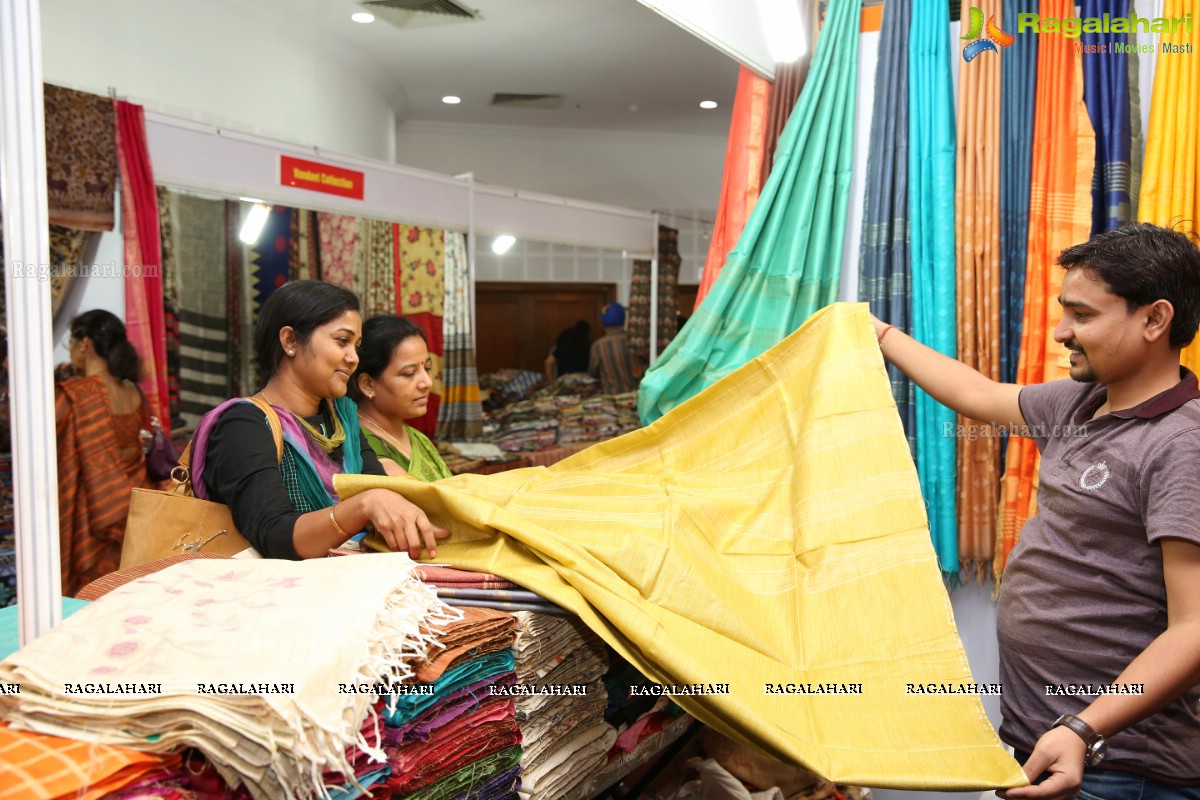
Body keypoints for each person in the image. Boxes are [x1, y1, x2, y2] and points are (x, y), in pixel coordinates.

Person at [871, 222, 1200, 799]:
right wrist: (878, 335)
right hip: (1053, 743)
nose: (1060, 332)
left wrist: (1084, 727)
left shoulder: (1181, 446)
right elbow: (975, 394)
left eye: (1083, 315)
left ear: (1154, 320)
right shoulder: (1079, 404)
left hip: (1120, 767)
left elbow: (1194, 630)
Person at [194, 281, 447, 561]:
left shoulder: (343, 422)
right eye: (342, 341)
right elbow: (275, 537)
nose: (353, 358)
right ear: (290, 340)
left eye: (357, 345)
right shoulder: (243, 426)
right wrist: (364, 504)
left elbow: (380, 494)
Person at [54, 309, 148, 595]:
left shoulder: (77, 394)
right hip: (131, 506)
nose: (70, 352)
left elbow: (47, 440)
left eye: (70, 343)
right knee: (121, 588)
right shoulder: (133, 391)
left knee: (89, 593)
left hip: (94, 511)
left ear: (84, 344)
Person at [349, 316, 452, 481]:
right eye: (409, 373)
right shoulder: (365, 448)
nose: (427, 382)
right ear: (368, 384)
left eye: (427, 368)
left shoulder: (416, 437)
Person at [588, 302, 642, 395]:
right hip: (635, 397)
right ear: (624, 319)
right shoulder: (635, 342)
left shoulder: (598, 346)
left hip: (611, 400)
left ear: (602, 321)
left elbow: (593, 373)